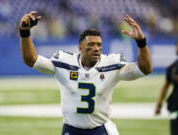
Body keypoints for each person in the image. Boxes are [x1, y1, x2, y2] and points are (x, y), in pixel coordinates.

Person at [19, 11, 152, 135]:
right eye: (91, 45)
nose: (96, 49)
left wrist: (141, 42)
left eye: (99, 45)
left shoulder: (111, 64)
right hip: (71, 129)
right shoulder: (65, 62)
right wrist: (25, 32)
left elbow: (145, 69)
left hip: (99, 129)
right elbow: (31, 60)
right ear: (80, 48)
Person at [155, 41, 178, 135]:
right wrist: (159, 104)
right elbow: (165, 86)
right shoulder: (172, 67)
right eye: (176, 46)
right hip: (175, 106)